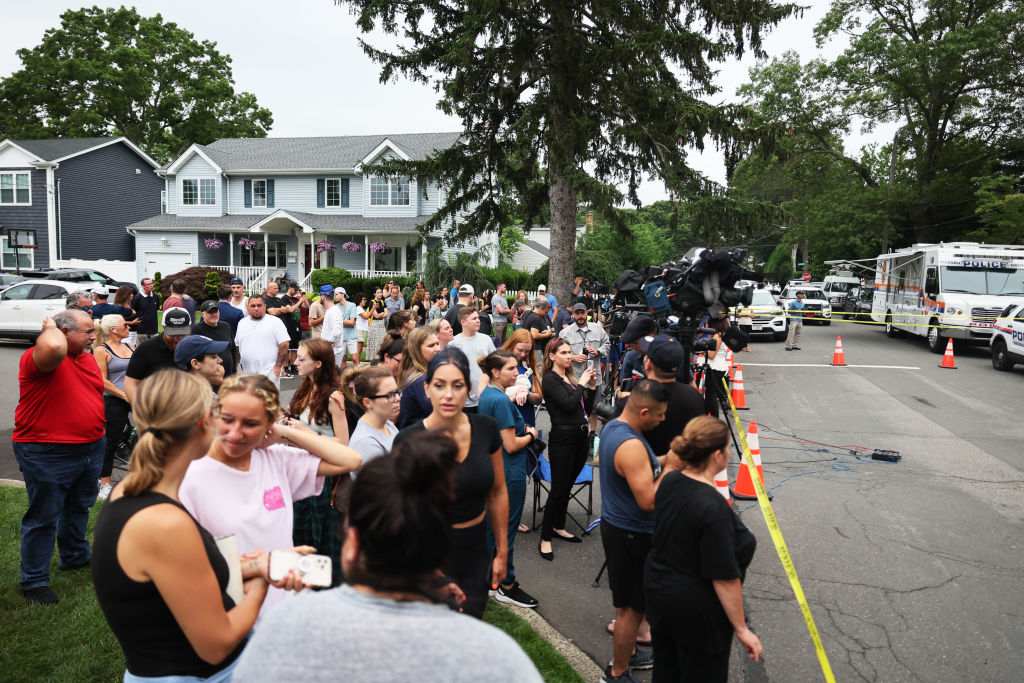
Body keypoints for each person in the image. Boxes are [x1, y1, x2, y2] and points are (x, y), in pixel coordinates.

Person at [232, 432, 542, 682]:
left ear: (351, 542)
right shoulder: (497, 658)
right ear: (440, 544)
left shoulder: (285, 628)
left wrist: (259, 580)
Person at [91, 370, 282, 682]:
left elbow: (171, 580)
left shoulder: (128, 491)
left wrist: (258, 564)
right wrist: (264, 581)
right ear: (204, 420)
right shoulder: (164, 524)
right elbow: (216, 646)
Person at [179, 373, 363, 619]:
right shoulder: (191, 476)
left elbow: (350, 460)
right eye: (227, 419)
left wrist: (286, 434)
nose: (235, 433)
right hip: (230, 614)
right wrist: (260, 567)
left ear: (269, 424)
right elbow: (186, 569)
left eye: (251, 424)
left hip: (284, 606)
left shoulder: (276, 460)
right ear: (214, 414)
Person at [393, 349, 508, 619]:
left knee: (469, 628)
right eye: (439, 385)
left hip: (476, 549)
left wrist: (502, 552)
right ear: (427, 388)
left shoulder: (486, 429)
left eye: (457, 386)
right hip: (427, 554)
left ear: (468, 388)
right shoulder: (408, 441)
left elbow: (498, 491)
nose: (448, 394)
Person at [645, 417, 761, 681]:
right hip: (698, 614)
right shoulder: (711, 508)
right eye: (729, 448)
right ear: (718, 455)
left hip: (661, 597)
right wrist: (742, 629)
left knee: (667, 672)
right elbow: (723, 577)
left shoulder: (671, 480)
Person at [14, 311, 105, 605]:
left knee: (79, 506)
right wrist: (50, 328)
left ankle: (75, 556)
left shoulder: (86, 357)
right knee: (43, 516)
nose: (94, 336)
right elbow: (53, 346)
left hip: (91, 447)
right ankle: (34, 580)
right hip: (47, 450)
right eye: (88, 331)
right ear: (64, 333)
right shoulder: (40, 357)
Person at [598, 380, 679, 682]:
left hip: (625, 530)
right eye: (659, 415)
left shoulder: (617, 429)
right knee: (630, 611)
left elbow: (642, 468)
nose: (662, 420)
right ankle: (618, 672)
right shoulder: (630, 444)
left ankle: (629, 652)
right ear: (644, 411)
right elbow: (648, 500)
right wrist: (672, 470)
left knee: (633, 604)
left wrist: (666, 459)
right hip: (630, 533)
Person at [477, 350, 540, 609]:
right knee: (506, 531)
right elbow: (511, 445)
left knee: (493, 528)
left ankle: (492, 579)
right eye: (511, 369)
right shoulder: (500, 400)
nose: (517, 373)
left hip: (495, 469)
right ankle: (507, 584)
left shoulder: (489, 395)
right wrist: (532, 435)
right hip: (508, 472)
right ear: (495, 372)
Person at [289, 338, 350, 588]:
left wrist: (307, 433)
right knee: (301, 533)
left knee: (321, 535)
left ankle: (326, 588)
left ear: (318, 364)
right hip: (300, 471)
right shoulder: (304, 389)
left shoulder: (334, 397)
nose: (295, 362)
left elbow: (343, 443)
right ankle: (304, 586)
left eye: (301, 359)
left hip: (324, 478)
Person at [538, 338, 596, 561]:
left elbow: (585, 409)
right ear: (552, 356)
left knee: (568, 485)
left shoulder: (569, 378)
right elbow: (569, 404)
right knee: (559, 488)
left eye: (569, 352)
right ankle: (545, 538)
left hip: (581, 435)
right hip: (562, 438)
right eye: (563, 352)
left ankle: (558, 526)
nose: (568, 356)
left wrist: (589, 386)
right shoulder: (550, 379)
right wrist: (582, 383)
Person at [616, 335, 706, 458]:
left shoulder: (636, 403)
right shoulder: (695, 396)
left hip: (646, 469)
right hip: (685, 466)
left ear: (648, 365)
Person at [92, 314, 135, 500]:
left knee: (146, 435)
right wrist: (124, 395)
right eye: (125, 325)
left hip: (134, 398)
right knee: (110, 442)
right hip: (113, 400)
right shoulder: (101, 350)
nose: (129, 327)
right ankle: (105, 484)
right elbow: (102, 380)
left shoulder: (131, 346)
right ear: (113, 330)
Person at [560, 302, 611, 431]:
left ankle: (592, 435)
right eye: (577, 313)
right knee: (575, 409)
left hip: (595, 378)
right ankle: (577, 433)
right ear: (573, 315)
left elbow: (607, 344)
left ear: (586, 313)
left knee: (594, 410)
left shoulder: (598, 328)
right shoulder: (565, 333)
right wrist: (573, 357)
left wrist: (598, 351)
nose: (580, 316)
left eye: (582, 313)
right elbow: (558, 354)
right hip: (574, 379)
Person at [124, 308, 192, 404]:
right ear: (163, 327)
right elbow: (131, 383)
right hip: (155, 411)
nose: (177, 339)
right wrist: (142, 410)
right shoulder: (146, 349)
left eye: (182, 334)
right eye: (173, 334)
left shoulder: (194, 348)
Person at [347, 366, 401, 473]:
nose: (398, 398)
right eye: (390, 395)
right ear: (367, 402)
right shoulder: (366, 443)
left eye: (396, 392)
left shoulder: (387, 423)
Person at [448, 306, 496, 413]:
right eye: (474, 319)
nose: (478, 321)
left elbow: (495, 364)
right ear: (463, 322)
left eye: (478, 318)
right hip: (463, 399)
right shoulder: (453, 343)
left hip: (484, 396)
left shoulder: (486, 339)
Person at [235, 296, 290, 387]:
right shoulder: (242, 323)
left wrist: (278, 367)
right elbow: (237, 346)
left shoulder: (275, 322)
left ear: (265, 306)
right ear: (248, 307)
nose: (256, 308)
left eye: (259, 305)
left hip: (269, 373)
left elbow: (284, 344)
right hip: (248, 375)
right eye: (253, 306)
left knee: (269, 401)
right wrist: (236, 368)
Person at [396, 327, 441, 428]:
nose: (437, 349)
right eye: (431, 345)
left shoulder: (423, 374)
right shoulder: (420, 381)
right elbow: (439, 413)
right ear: (417, 350)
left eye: (437, 343)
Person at [193, 299, 237, 377]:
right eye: (210, 312)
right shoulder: (196, 330)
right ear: (203, 315)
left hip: (228, 376)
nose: (214, 314)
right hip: (209, 377)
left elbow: (233, 349)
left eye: (215, 312)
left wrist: (234, 370)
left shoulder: (226, 326)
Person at [616, 315, 657, 396]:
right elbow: (623, 390)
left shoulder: (671, 356)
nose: (632, 347)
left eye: (635, 343)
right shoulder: (631, 357)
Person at [323, 287, 360, 368]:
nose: (334, 296)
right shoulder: (335, 307)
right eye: (334, 294)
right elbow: (347, 322)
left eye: (336, 294)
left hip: (351, 336)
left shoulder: (352, 305)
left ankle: (358, 375)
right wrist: (343, 322)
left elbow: (352, 322)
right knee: (343, 359)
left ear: (343, 294)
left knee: (354, 358)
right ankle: (342, 377)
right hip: (341, 336)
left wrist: (339, 322)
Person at [703, 318, 731, 418]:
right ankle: (705, 416)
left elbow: (711, 355)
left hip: (715, 368)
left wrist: (703, 350)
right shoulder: (720, 335)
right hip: (717, 367)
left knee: (711, 395)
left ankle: (714, 418)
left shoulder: (717, 337)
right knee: (710, 394)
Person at [521, 297, 555, 366]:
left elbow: (530, 329)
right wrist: (547, 335)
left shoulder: (527, 313)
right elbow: (534, 335)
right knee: (539, 367)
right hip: (535, 347)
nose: (546, 315)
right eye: (545, 312)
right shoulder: (537, 318)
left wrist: (541, 332)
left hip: (526, 344)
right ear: (540, 309)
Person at [131, 277, 159, 343]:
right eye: (148, 284)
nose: (151, 285)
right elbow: (133, 312)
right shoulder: (137, 298)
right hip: (141, 332)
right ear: (143, 286)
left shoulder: (156, 297)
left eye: (152, 283)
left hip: (154, 331)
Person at [365, 286, 388, 360]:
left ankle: (380, 358)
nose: (380, 294)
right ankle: (374, 359)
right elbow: (376, 315)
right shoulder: (372, 303)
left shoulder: (382, 302)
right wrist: (382, 314)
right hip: (374, 324)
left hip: (381, 324)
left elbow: (387, 314)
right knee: (375, 343)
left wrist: (380, 314)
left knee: (382, 342)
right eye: (378, 293)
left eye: (381, 292)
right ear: (374, 294)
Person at [353, 292, 370, 359]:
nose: (365, 301)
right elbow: (366, 317)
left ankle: (357, 365)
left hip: (362, 330)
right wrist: (373, 308)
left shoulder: (361, 309)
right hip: (359, 330)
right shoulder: (358, 308)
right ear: (359, 300)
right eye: (364, 299)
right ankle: (357, 366)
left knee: (360, 349)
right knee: (358, 349)